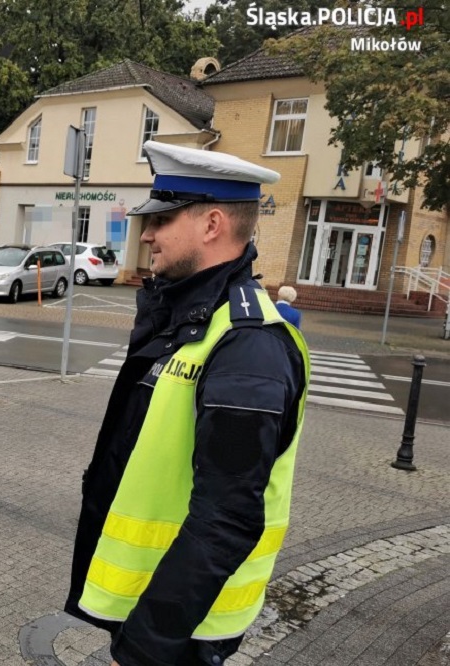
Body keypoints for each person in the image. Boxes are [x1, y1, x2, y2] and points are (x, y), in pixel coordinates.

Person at [65, 141, 310, 666]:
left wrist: (147, 646)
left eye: (163, 218)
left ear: (212, 223)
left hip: (186, 625)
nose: (147, 233)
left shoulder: (248, 345)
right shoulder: (186, 318)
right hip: (155, 602)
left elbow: (226, 518)